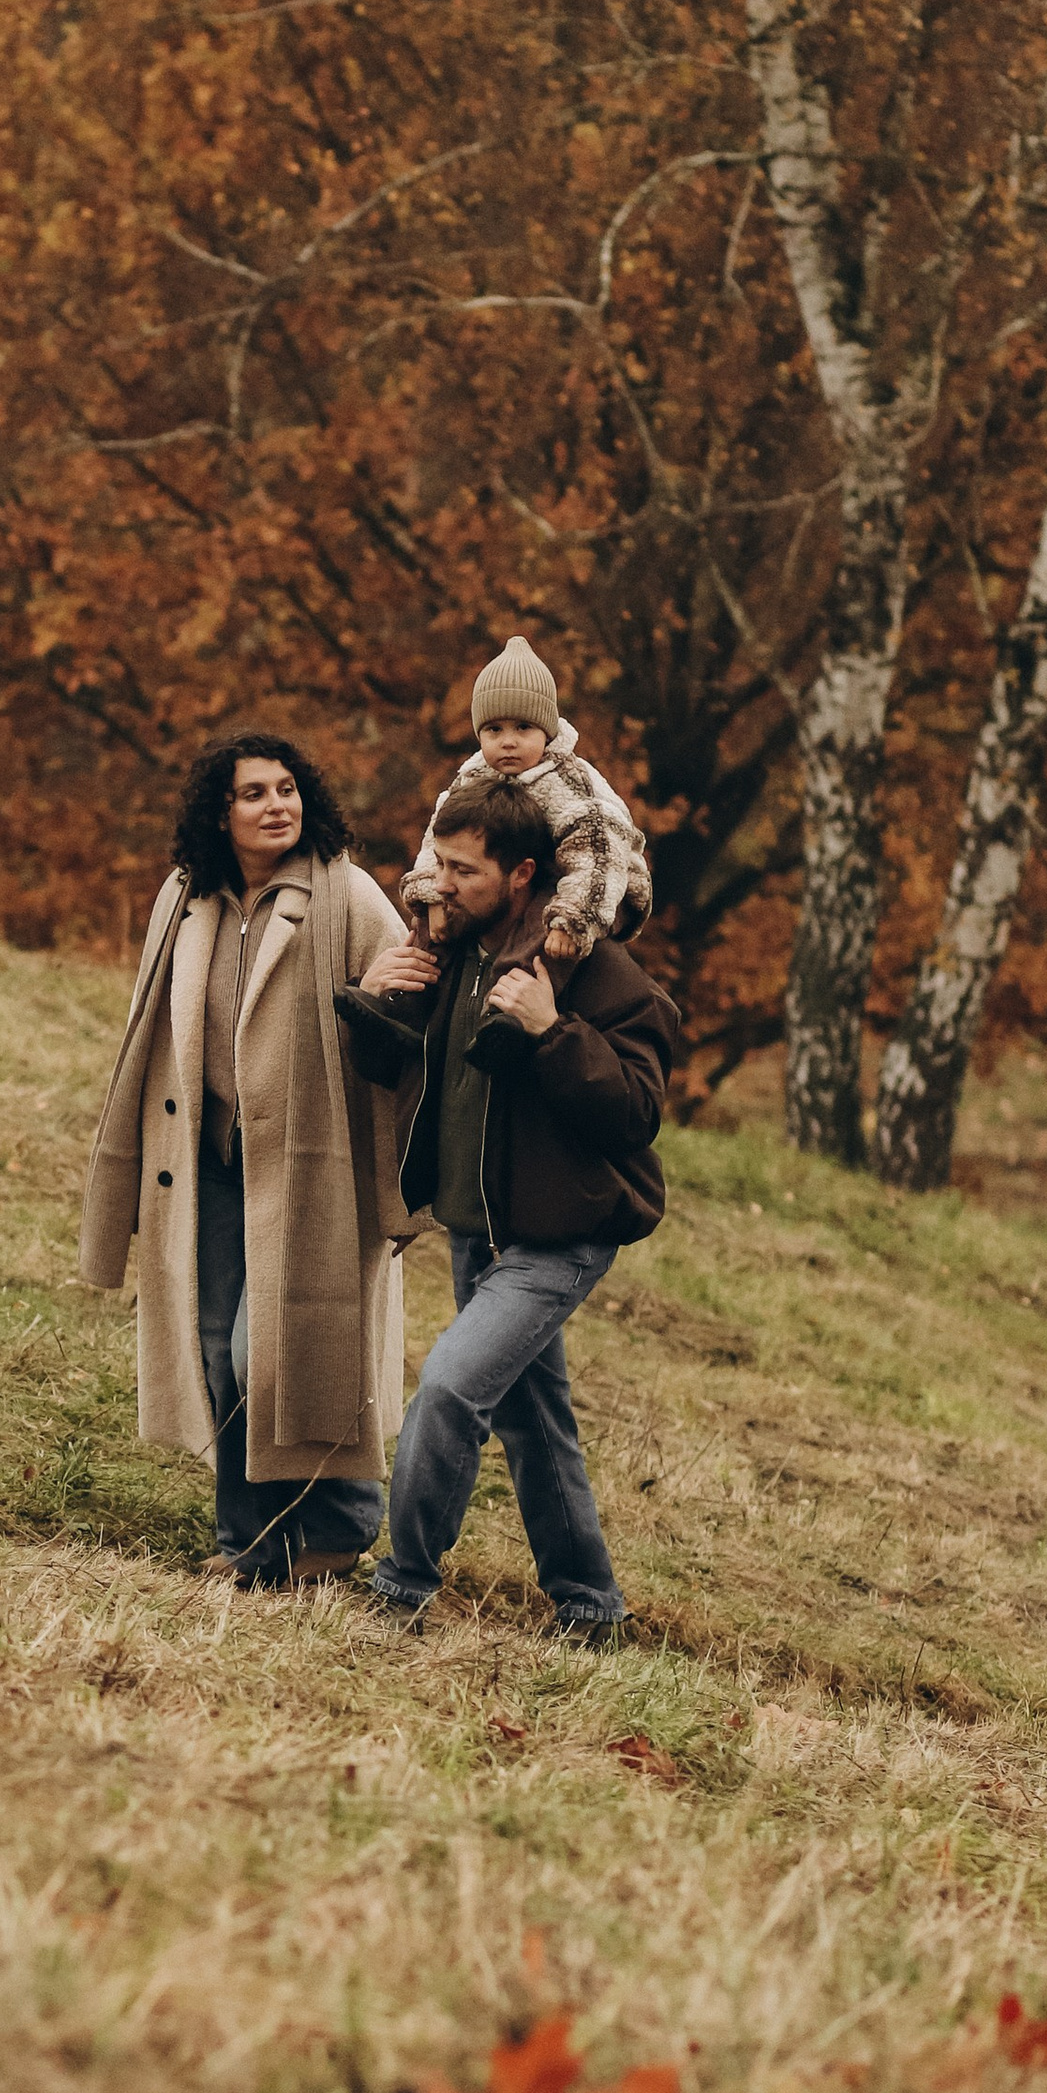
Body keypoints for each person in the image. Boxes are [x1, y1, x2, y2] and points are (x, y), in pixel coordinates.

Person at [337, 771, 680, 1643]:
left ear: (523, 874)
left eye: (463, 870)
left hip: (559, 1236)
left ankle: (402, 1585)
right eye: (438, 863)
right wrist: (378, 998)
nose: (439, 884)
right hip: (477, 1228)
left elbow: (638, 1112)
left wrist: (552, 1032)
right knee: (534, 1423)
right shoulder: (454, 950)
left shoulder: (592, 968)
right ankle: (591, 1606)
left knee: (449, 1389)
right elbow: (408, 1076)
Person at [80, 733, 412, 1589]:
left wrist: (384, 999)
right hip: (209, 1166)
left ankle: (338, 1531)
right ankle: (248, 1544)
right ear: (218, 814)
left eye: (289, 789)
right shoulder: (186, 901)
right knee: (214, 1343)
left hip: (313, 1174)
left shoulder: (349, 897)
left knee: (288, 1351)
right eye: (255, 793)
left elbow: (408, 1021)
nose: (277, 805)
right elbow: (147, 1032)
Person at [402, 639, 652, 970]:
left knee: (542, 916)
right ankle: (407, 998)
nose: (508, 741)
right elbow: (439, 840)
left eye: (523, 727)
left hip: (603, 888)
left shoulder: (571, 784)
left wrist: (574, 918)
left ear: (546, 731)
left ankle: (513, 1003)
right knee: (440, 913)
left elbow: (599, 857)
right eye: (494, 729)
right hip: (525, 875)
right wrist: (431, 894)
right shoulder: (473, 776)